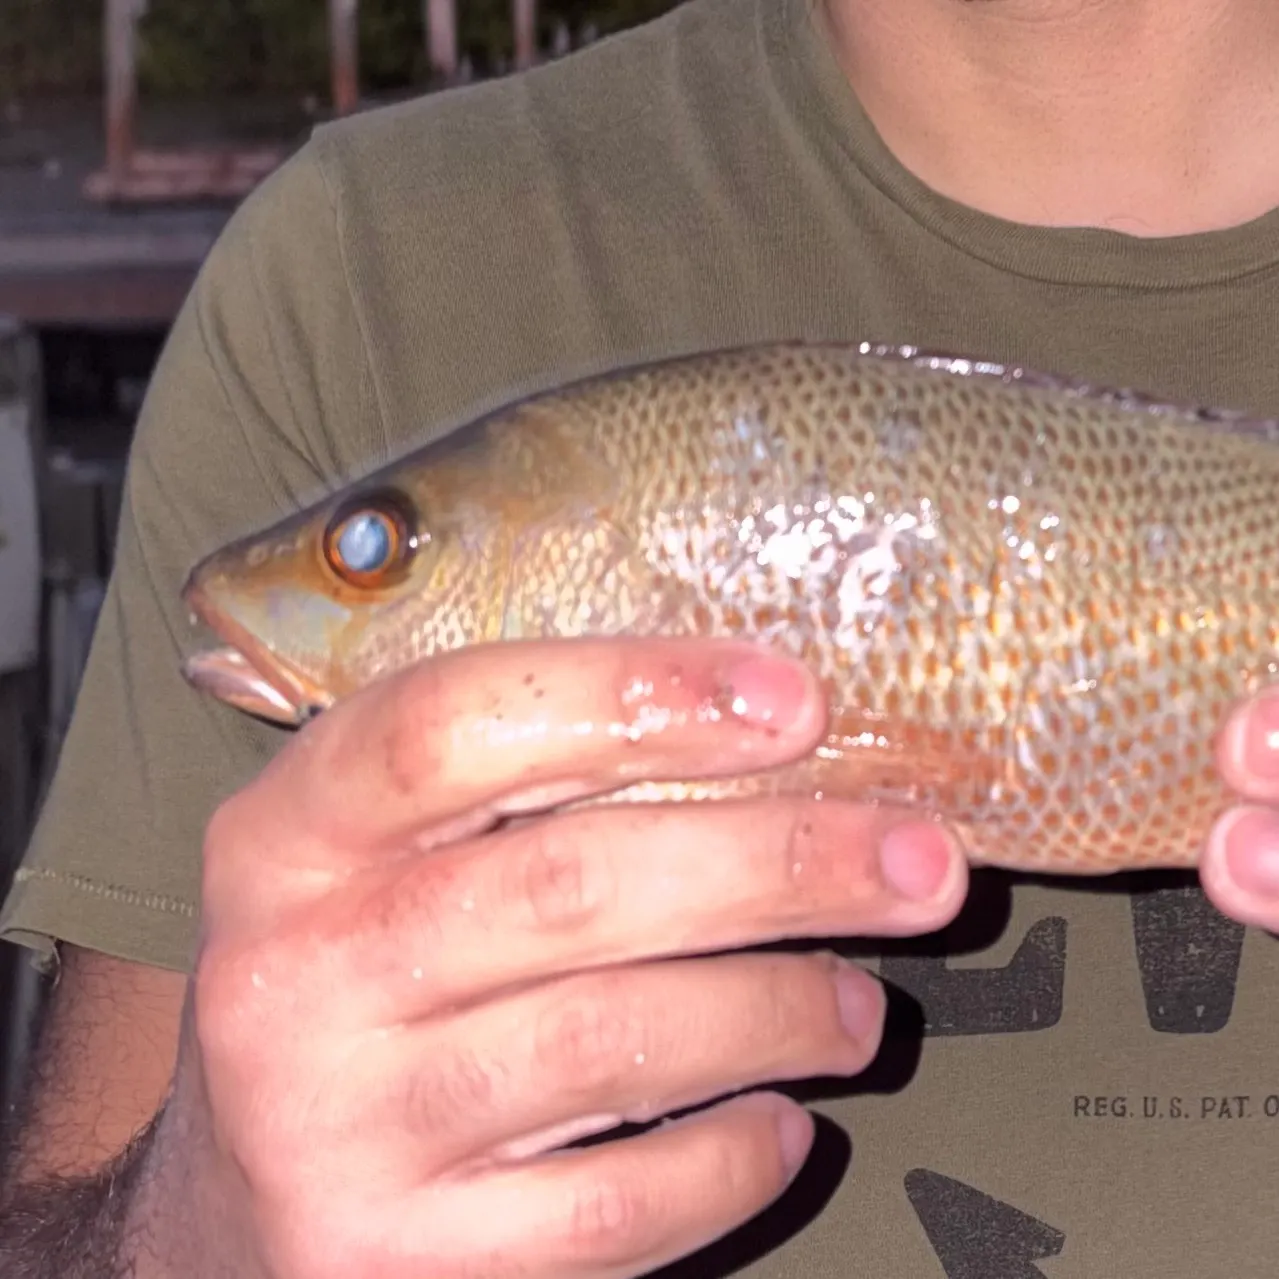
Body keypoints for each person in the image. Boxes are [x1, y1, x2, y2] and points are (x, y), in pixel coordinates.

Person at [2, 0, 1279, 1273]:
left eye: (370, 549)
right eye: (373, 549)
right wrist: (193, 1239)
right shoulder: (355, 278)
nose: (318, 580)